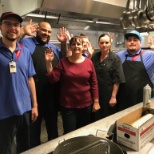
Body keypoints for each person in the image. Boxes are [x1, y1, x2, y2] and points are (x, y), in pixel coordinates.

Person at [20, 21, 68, 147]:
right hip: (33, 98)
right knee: (33, 132)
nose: (46, 33)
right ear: (37, 30)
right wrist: (23, 32)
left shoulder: (53, 48)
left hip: (51, 97)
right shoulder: (27, 43)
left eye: (49, 32)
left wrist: (63, 43)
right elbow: (12, 42)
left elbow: (65, 60)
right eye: (43, 30)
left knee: (53, 130)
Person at [45, 36, 100, 134]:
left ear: (83, 46)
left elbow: (94, 83)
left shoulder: (89, 63)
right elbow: (53, 79)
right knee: (69, 132)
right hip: (68, 106)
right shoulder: (63, 62)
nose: (76, 46)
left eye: (78, 44)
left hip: (85, 105)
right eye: (73, 44)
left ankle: (82, 149)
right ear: (70, 47)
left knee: (83, 132)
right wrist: (48, 63)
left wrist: (96, 101)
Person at [0, 12, 38, 154]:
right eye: (8, 23)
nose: (12, 27)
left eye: (16, 24)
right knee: (6, 149)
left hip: (25, 109)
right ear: (0, 27)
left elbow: (30, 79)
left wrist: (35, 105)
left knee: (25, 146)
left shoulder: (25, 51)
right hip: (4, 112)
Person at [116, 30, 154, 111]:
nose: (132, 42)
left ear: (140, 42)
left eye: (135, 40)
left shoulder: (150, 55)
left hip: (143, 99)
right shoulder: (119, 55)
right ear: (126, 43)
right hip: (123, 98)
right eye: (129, 40)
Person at [91, 34, 125, 120]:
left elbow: (117, 79)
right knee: (95, 118)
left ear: (110, 44)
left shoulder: (115, 58)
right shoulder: (94, 56)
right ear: (98, 44)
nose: (104, 45)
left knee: (106, 118)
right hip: (95, 93)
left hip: (108, 94)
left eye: (106, 42)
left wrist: (113, 97)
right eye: (102, 43)